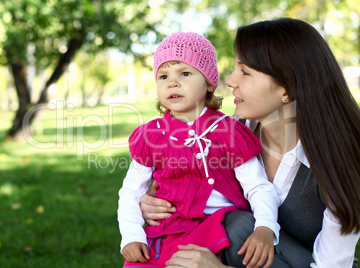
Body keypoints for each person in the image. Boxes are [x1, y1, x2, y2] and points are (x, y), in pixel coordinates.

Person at [140, 18, 360, 268]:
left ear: (287, 88)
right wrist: (153, 204)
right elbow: (187, 185)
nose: (231, 80)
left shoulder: (342, 160)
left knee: (238, 227)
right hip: (248, 257)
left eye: (245, 71)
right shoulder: (229, 133)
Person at [117, 32, 281, 268]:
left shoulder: (228, 131)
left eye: (185, 73)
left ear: (209, 82)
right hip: (167, 230)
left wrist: (265, 227)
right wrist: (131, 236)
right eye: (163, 76)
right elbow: (131, 191)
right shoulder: (152, 136)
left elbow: (258, 186)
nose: (172, 82)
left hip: (215, 230)